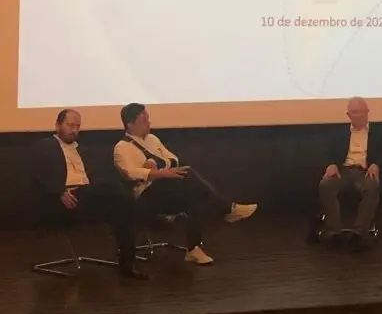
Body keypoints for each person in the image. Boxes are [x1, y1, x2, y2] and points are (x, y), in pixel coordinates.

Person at [113, 103, 257, 265]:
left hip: (167, 189)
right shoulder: (122, 147)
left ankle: (194, 249)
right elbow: (130, 173)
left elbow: (173, 159)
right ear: (130, 124)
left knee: (192, 193)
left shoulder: (153, 139)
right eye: (144, 119)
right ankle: (226, 209)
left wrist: (155, 163)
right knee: (188, 176)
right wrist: (158, 173)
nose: (149, 122)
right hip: (144, 196)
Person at [32, 109, 146, 279]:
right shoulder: (45, 146)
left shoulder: (83, 149)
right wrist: (59, 191)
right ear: (57, 125)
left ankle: (127, 263)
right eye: (70, 125)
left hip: (89, 195)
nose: (74, 130)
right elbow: (38, 174)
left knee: (123, 204)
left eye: (77, 126)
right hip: (63, 198)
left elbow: (95, 177)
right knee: (114, 189)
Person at [318, 96, 382, 251]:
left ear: (367, 112)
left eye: (362, 111)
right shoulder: (339, 133)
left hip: (365, 171)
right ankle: (334, 232)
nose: (359, 115)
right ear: (348, 115)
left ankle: (359, 233)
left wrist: (376, 164)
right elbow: (328, 153)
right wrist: (331, 164)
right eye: (355, 112)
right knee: (325, 185)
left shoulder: (379, 133)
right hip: (343, 170)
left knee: (372, 187)